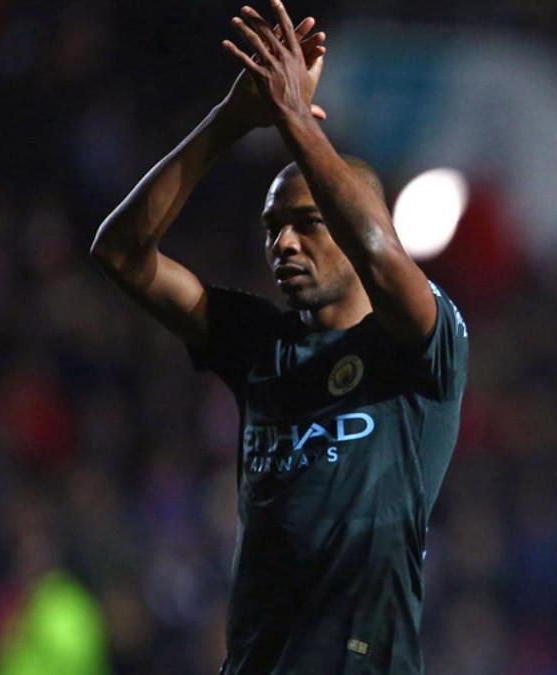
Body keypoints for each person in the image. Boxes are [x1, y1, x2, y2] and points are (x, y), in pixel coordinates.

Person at [89, 4, 468, 673]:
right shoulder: (258, 343)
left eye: (307, 223)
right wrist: (235, 118)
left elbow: (381, 251)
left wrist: (295, 120)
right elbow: (120, 253)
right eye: (272, 227)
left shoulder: (418, 344)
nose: (282, 244)